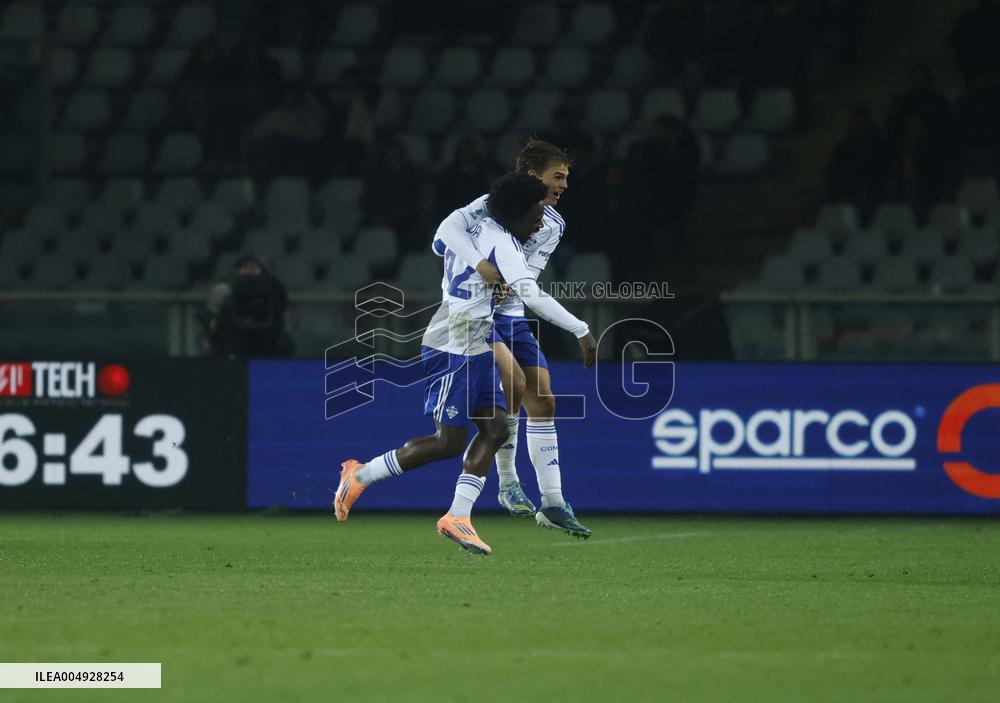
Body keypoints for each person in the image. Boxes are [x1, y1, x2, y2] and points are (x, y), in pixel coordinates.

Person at [333, 173, 596, 554]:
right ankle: (360, 475)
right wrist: (581, 329)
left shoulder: (475, 227)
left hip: (476, 336)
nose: (542, 220)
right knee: (447, 442)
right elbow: (531, 295)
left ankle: (458, 516)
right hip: (454, 343)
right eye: (536, 212)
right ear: (517, 213)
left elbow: (441, 241)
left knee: (495, 429)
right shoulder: (502, 242)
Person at [432, 139, 595, 539]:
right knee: (514, 386)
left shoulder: (552, 225)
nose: (564, 185)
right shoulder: (486, 208)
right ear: (531, 177)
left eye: (566, 178)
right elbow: (444, 233)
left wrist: (513, 285)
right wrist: (483, 265)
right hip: (471, 316)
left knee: (544, 395)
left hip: (512, 314)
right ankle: (507, 482)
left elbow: (528, 280)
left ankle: (553, 503)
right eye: (558, 177)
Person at [202, 256, 294, 357]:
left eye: (254, 268)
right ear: (236, 271)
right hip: (234, 341)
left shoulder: (273, 289)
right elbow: (214, 316)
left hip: (267, 342)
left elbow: (281, 310)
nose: (250, 271)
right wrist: (210, 337)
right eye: (245, 268)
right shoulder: (224, 290)